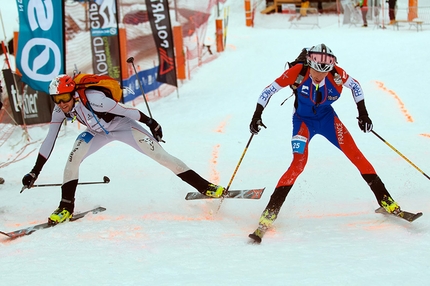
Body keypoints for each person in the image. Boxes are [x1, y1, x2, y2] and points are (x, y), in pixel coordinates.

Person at [248, 44, 402, 243]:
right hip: (303, 122)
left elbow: (356, 86)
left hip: (329, 120)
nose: (319, 76)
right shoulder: (297, 71)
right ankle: (270, 212)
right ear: (309, 65)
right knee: (298, 165)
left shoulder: (337, 74)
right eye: (315, 71)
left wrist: (363, 114)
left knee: (357, 156)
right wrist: (256, 115)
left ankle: (386, 200)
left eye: (325, 72)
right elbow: (268, 90)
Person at [22, 74, 225, 224]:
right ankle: (65, 207)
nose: (62, 104)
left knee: (161, 156)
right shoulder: (60, 109)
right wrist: (35, 171)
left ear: (73, 94)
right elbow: (49, 140)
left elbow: (126, 111)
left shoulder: (95, 99)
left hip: (123, 127)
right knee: (73, 159)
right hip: (96, 133)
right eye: (56, 100)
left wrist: (151, 122)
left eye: (64, 98)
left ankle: (205, 186)